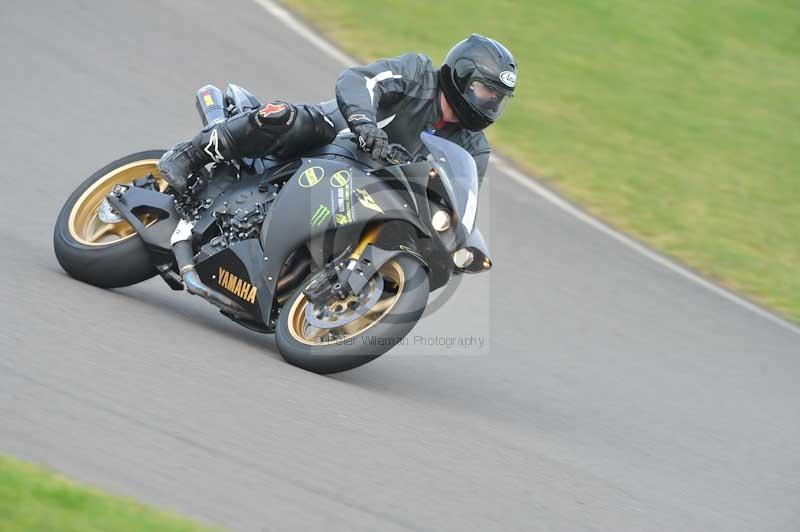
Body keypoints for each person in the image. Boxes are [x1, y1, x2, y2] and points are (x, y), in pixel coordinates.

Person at [157, 34, 517, 193]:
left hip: (375, 189)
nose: (489, 102)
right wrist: (364, 124)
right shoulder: (418, 75)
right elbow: (359, 81)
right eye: (486, 90)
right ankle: (190, 154)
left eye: (498, 97)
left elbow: (458, 196)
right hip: (336, 135)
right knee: (282, 116)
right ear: (461, 76)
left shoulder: (475, 149)